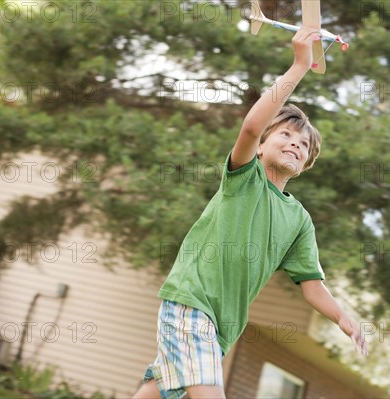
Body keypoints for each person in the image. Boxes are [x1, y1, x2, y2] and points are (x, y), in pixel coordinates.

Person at [133, 26, 367, 399]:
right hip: (191, 304)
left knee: (156, 394)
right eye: (285, 136)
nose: (294, 144)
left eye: (303, 144)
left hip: (224, 326)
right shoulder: (245, 178)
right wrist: (299, 66)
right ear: (260, 148)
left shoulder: (299, 220)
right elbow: (252, 126)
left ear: (306, 163)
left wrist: (342, 317)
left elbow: (312, 285)